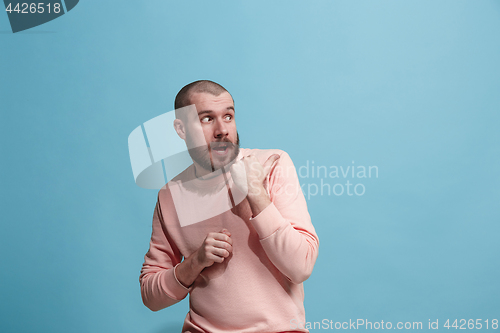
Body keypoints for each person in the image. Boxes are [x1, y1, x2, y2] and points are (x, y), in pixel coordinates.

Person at [139, 80, 319, 333]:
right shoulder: (170, 194)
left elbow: (301, 267)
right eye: (206, 119)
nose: (222, 129)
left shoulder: (272, 164)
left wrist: (256, 194)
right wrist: (195, 262)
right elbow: (151, 296)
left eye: (228, 116)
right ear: (181, 129)